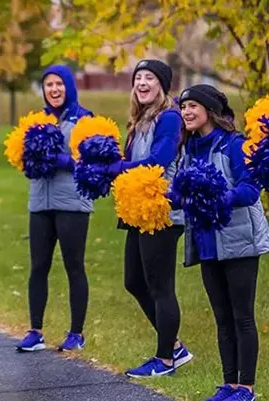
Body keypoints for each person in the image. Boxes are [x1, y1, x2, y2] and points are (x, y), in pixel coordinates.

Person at [175, 84, 269, 401]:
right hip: (207, 244)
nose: (186, 112)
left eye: (192, 106)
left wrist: (219, 197)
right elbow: (183, 193)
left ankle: (247, 388)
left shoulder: (233, 144)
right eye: (183, 107)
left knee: (241, 315)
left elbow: (250, 190)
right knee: (221, 317)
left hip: (239, 241)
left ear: (210, 110)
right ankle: (228, 382)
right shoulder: (188, 149)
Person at [103, 59, 192, 378]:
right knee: (134, 281)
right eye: (138, 78)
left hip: (162, 211)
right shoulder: (139, 119)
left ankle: (165, 359)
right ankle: (175, 346)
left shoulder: (169, 118)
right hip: (138, 210)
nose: (142, 83)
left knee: (160, 285)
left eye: (149, 78)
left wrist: (118, 168)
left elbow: (160, 160)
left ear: (162, 86)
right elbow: (131, 160)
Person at [14, 65, 94, 353]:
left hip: (73, 203)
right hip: (40, 202)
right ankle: (35, 331)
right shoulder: (38, 120)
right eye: (49, 84)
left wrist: (60, 159)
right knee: (38, 267)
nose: (54, 89)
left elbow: (91, 163)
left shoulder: (85, 119)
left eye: (59, 83)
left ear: (69, 86)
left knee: (74, 266)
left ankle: (77, 333)